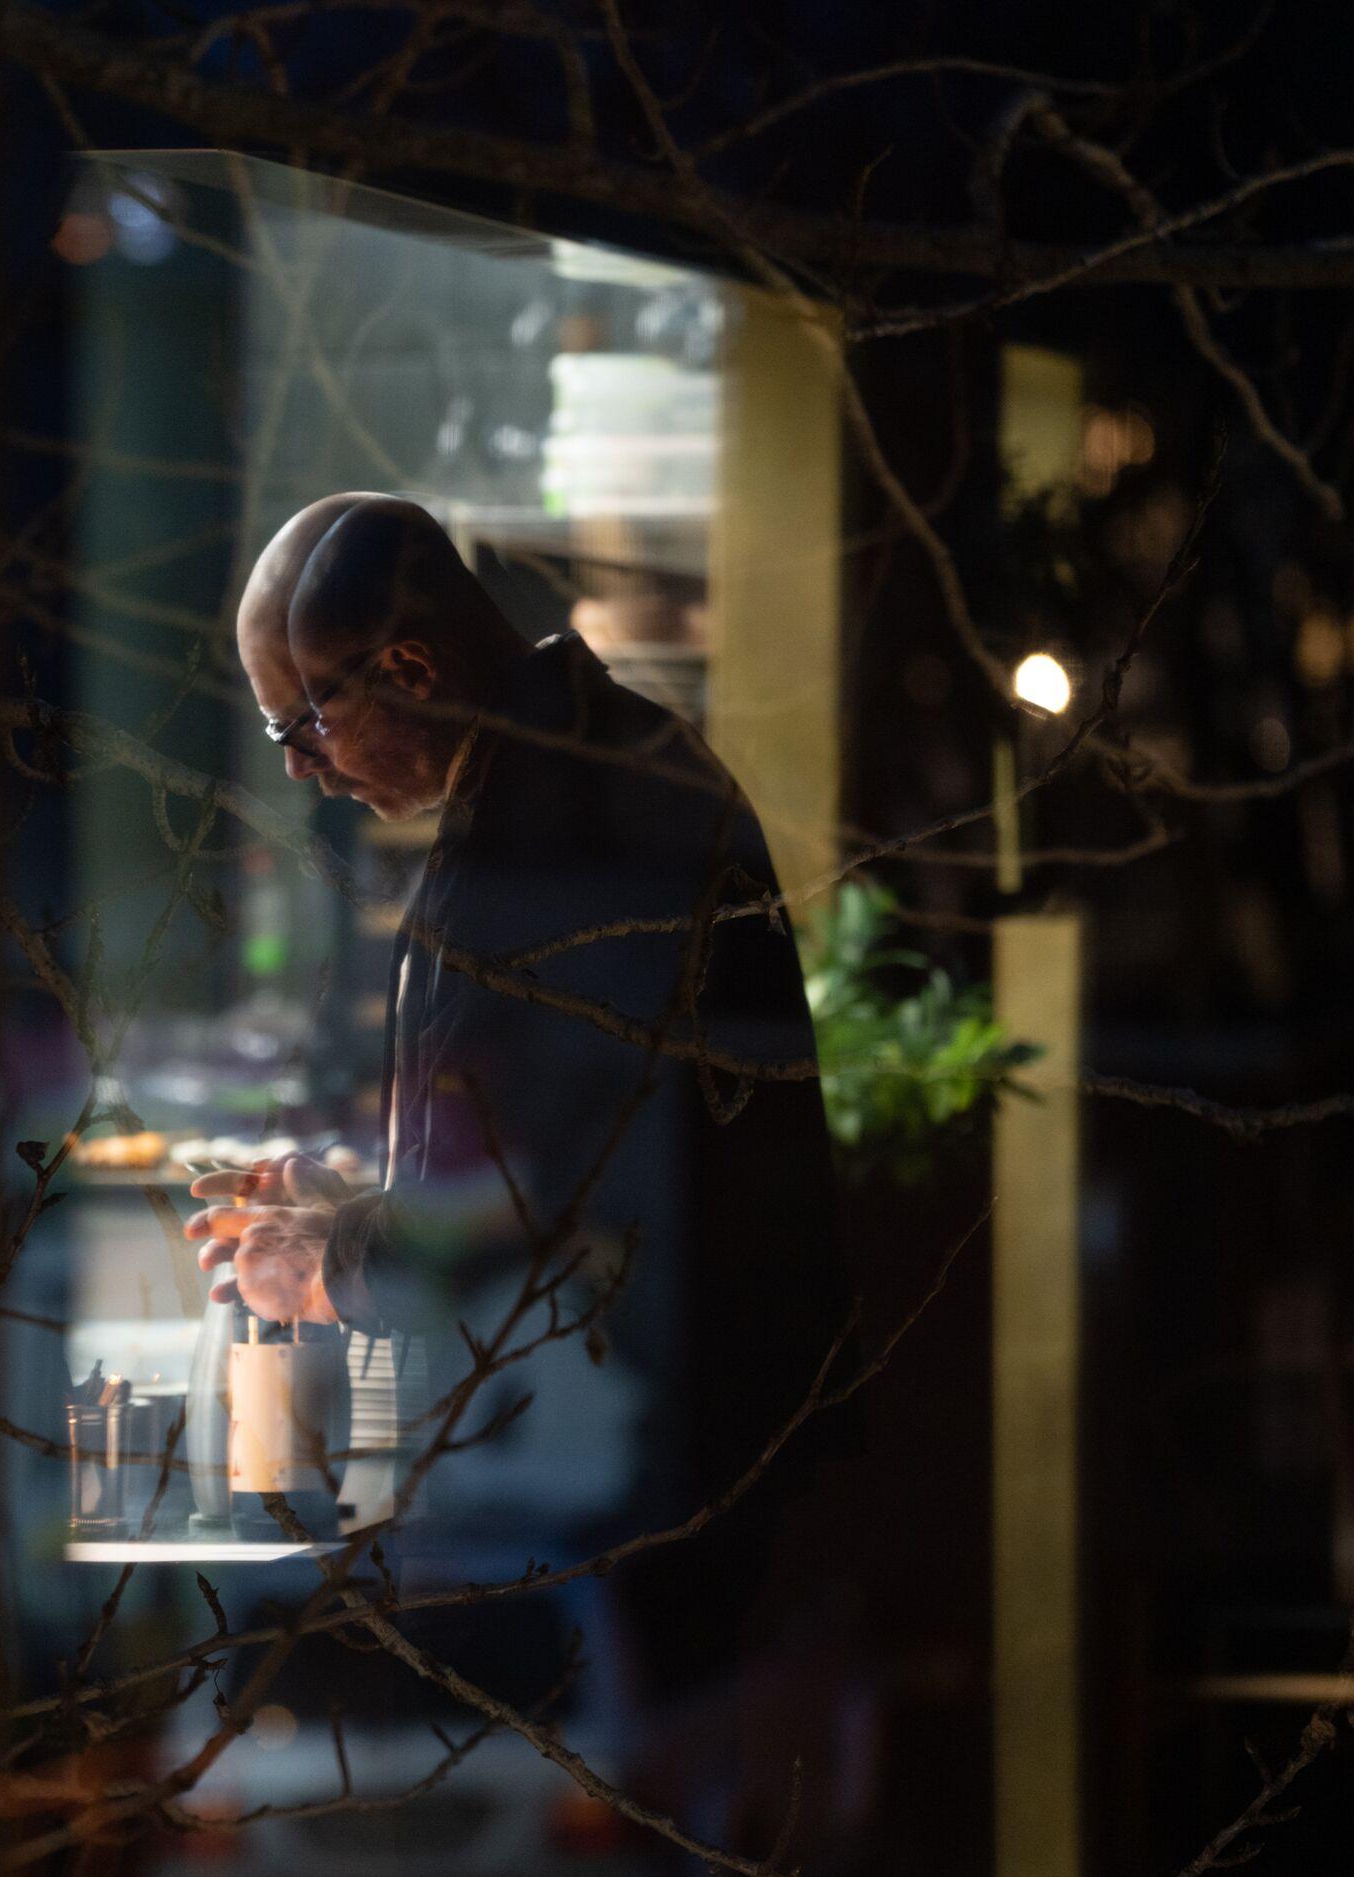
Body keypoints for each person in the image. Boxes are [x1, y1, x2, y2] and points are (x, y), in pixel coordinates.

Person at [191, 493, 858, 1844]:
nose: (307, 771)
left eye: (305, 725)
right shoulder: (570, 784)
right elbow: (530, 1144)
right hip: (653, 1500)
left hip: (663, 1524)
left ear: (414, 669)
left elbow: (575, 1190)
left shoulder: (577, 824)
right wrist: (352, 1202)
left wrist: (336, 1261)